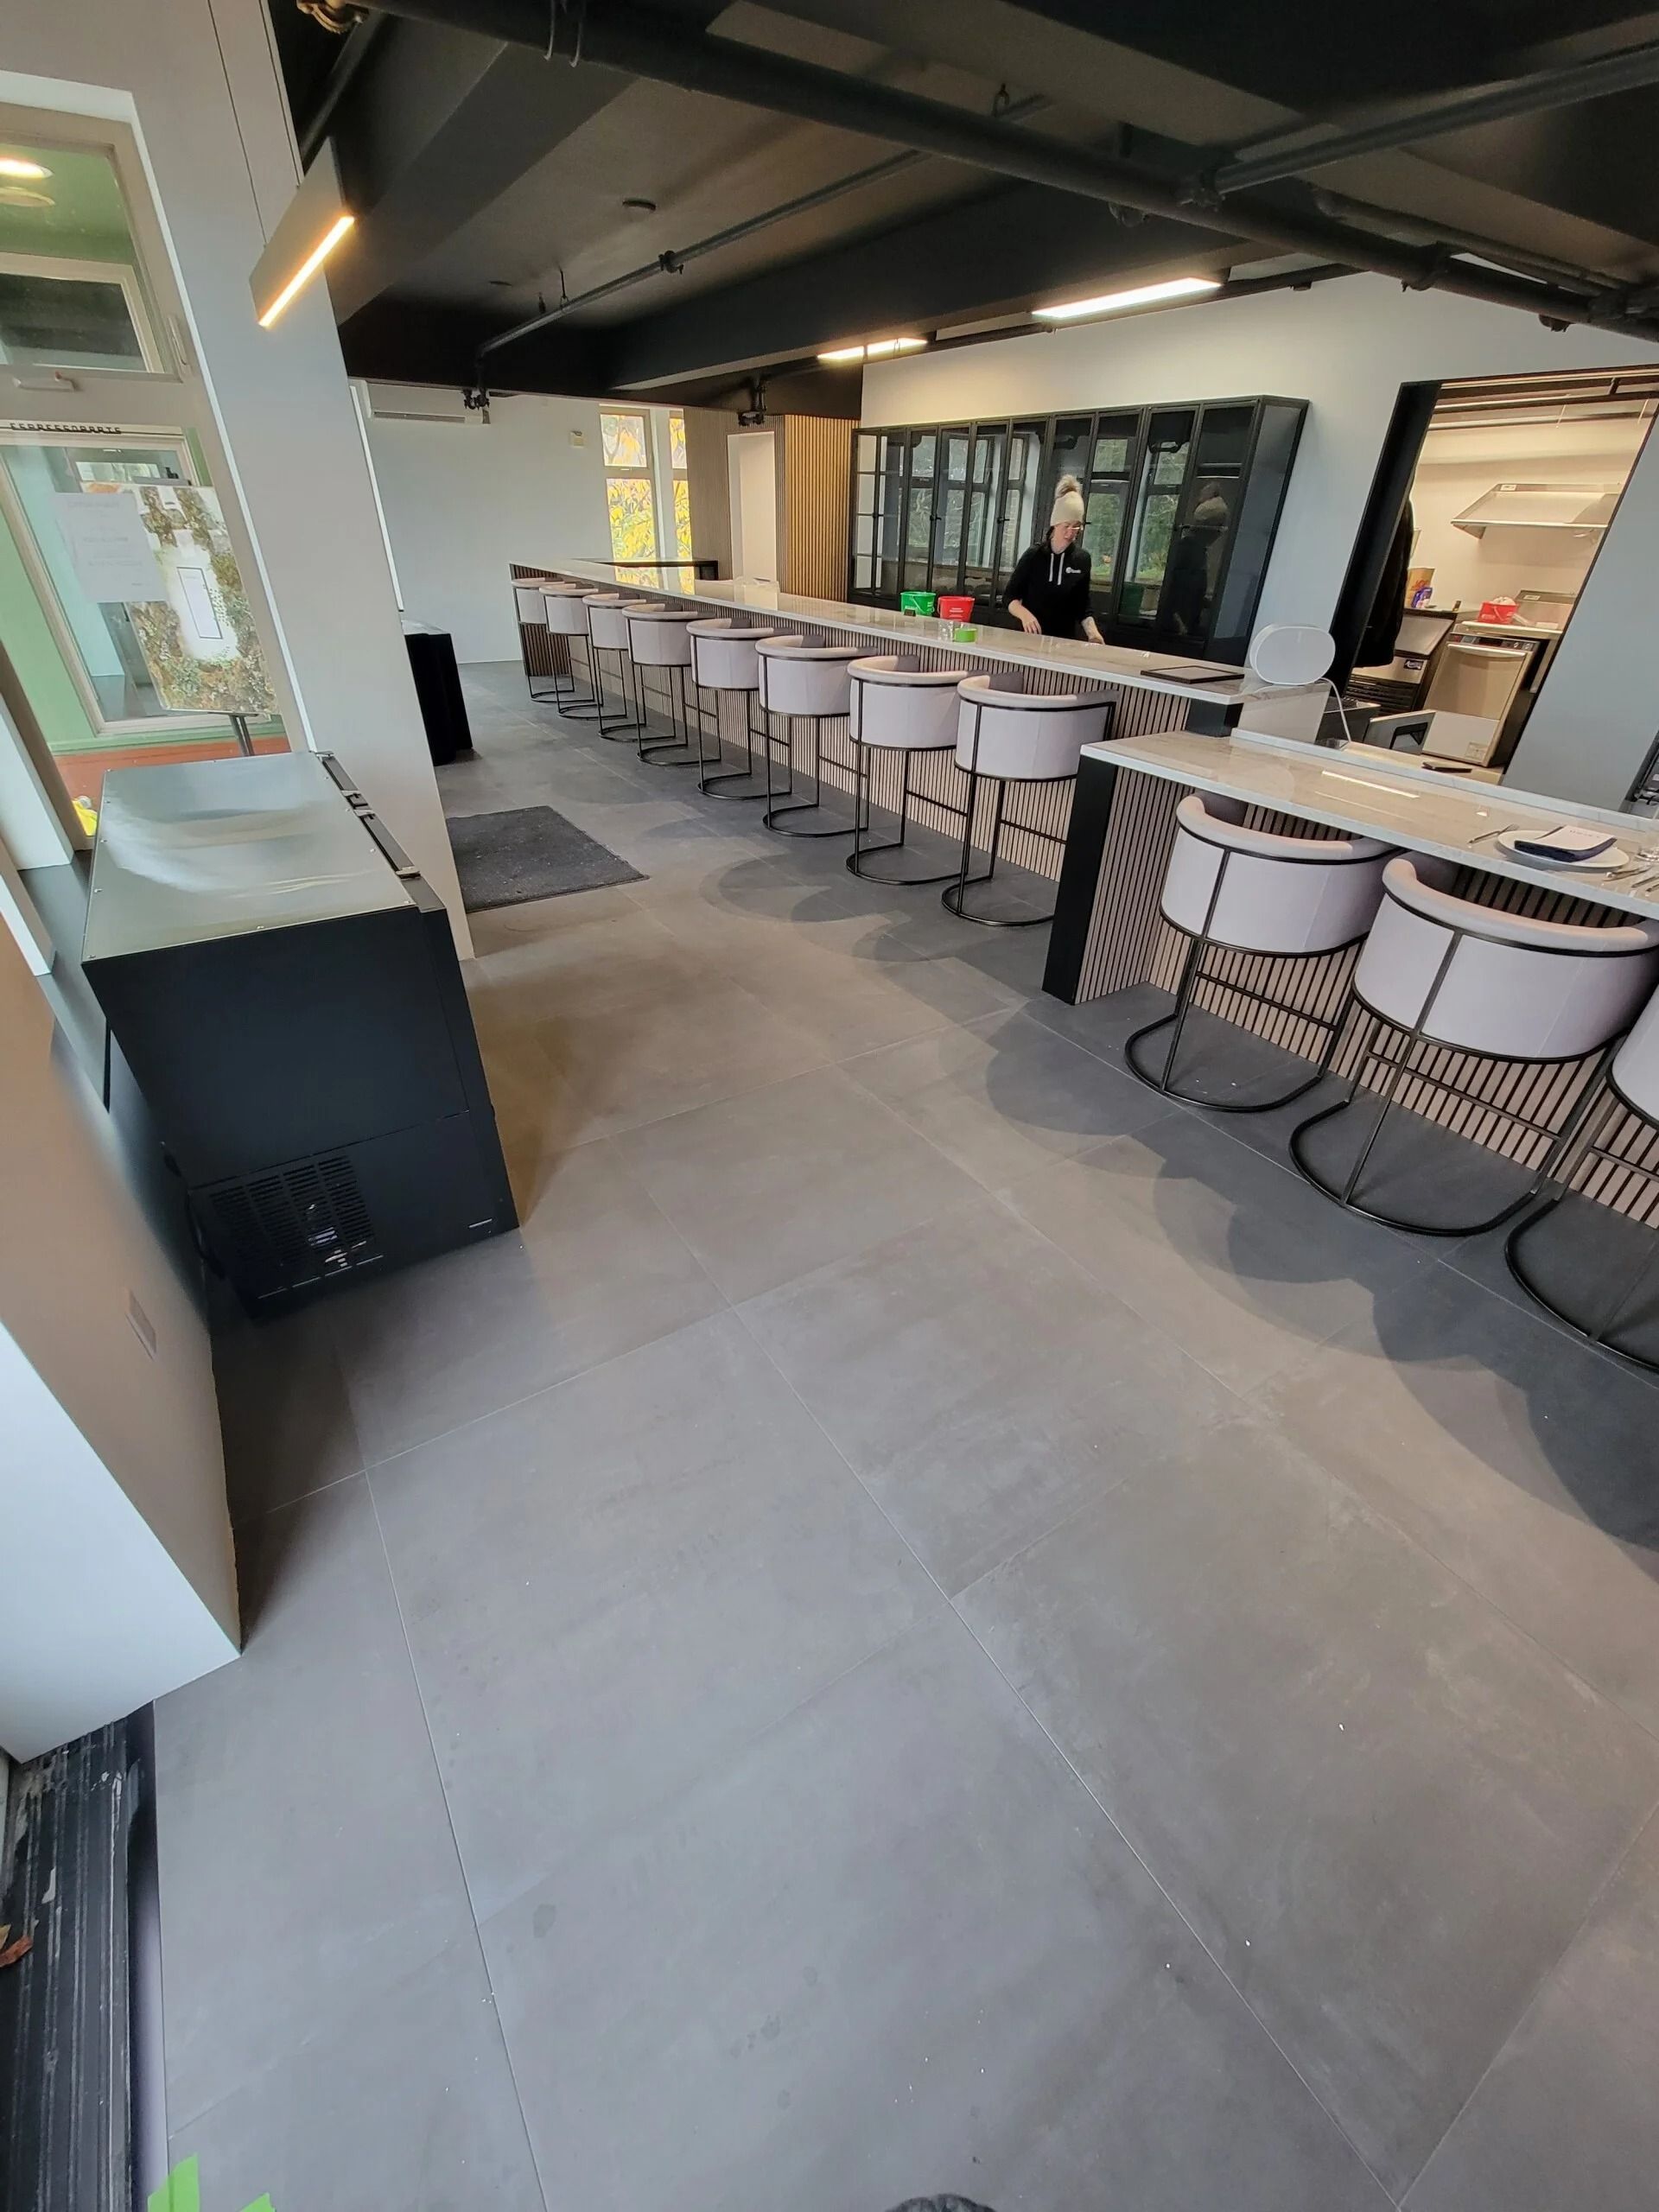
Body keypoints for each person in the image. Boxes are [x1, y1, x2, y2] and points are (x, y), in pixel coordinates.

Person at [1002, 475, 1104, 644]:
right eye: (1066, 526)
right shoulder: (1034, 556)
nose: (1071, 532)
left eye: (1076, 526)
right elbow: (1009, 597)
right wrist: (1025, 615)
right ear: (1055, 524)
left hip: (1063, 641)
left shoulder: (1082, 560)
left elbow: (1083, 606)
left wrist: (1093, 633)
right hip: (1030, 639)